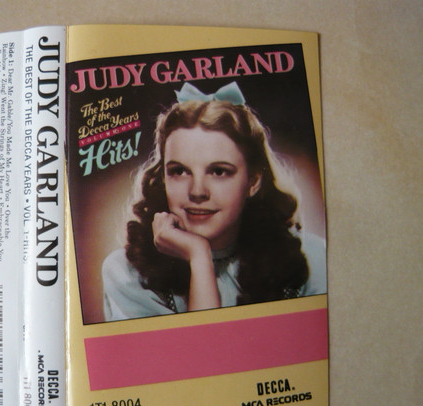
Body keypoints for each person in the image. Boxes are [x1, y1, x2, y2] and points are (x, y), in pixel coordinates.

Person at [102, 82, 326, 321]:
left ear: (253, 181)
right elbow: (202, 344)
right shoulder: (126, 273)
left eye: (219, 171)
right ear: (163, 178)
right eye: (179, 171)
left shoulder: (313, 259)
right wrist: (198, 256)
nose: (198, 191)